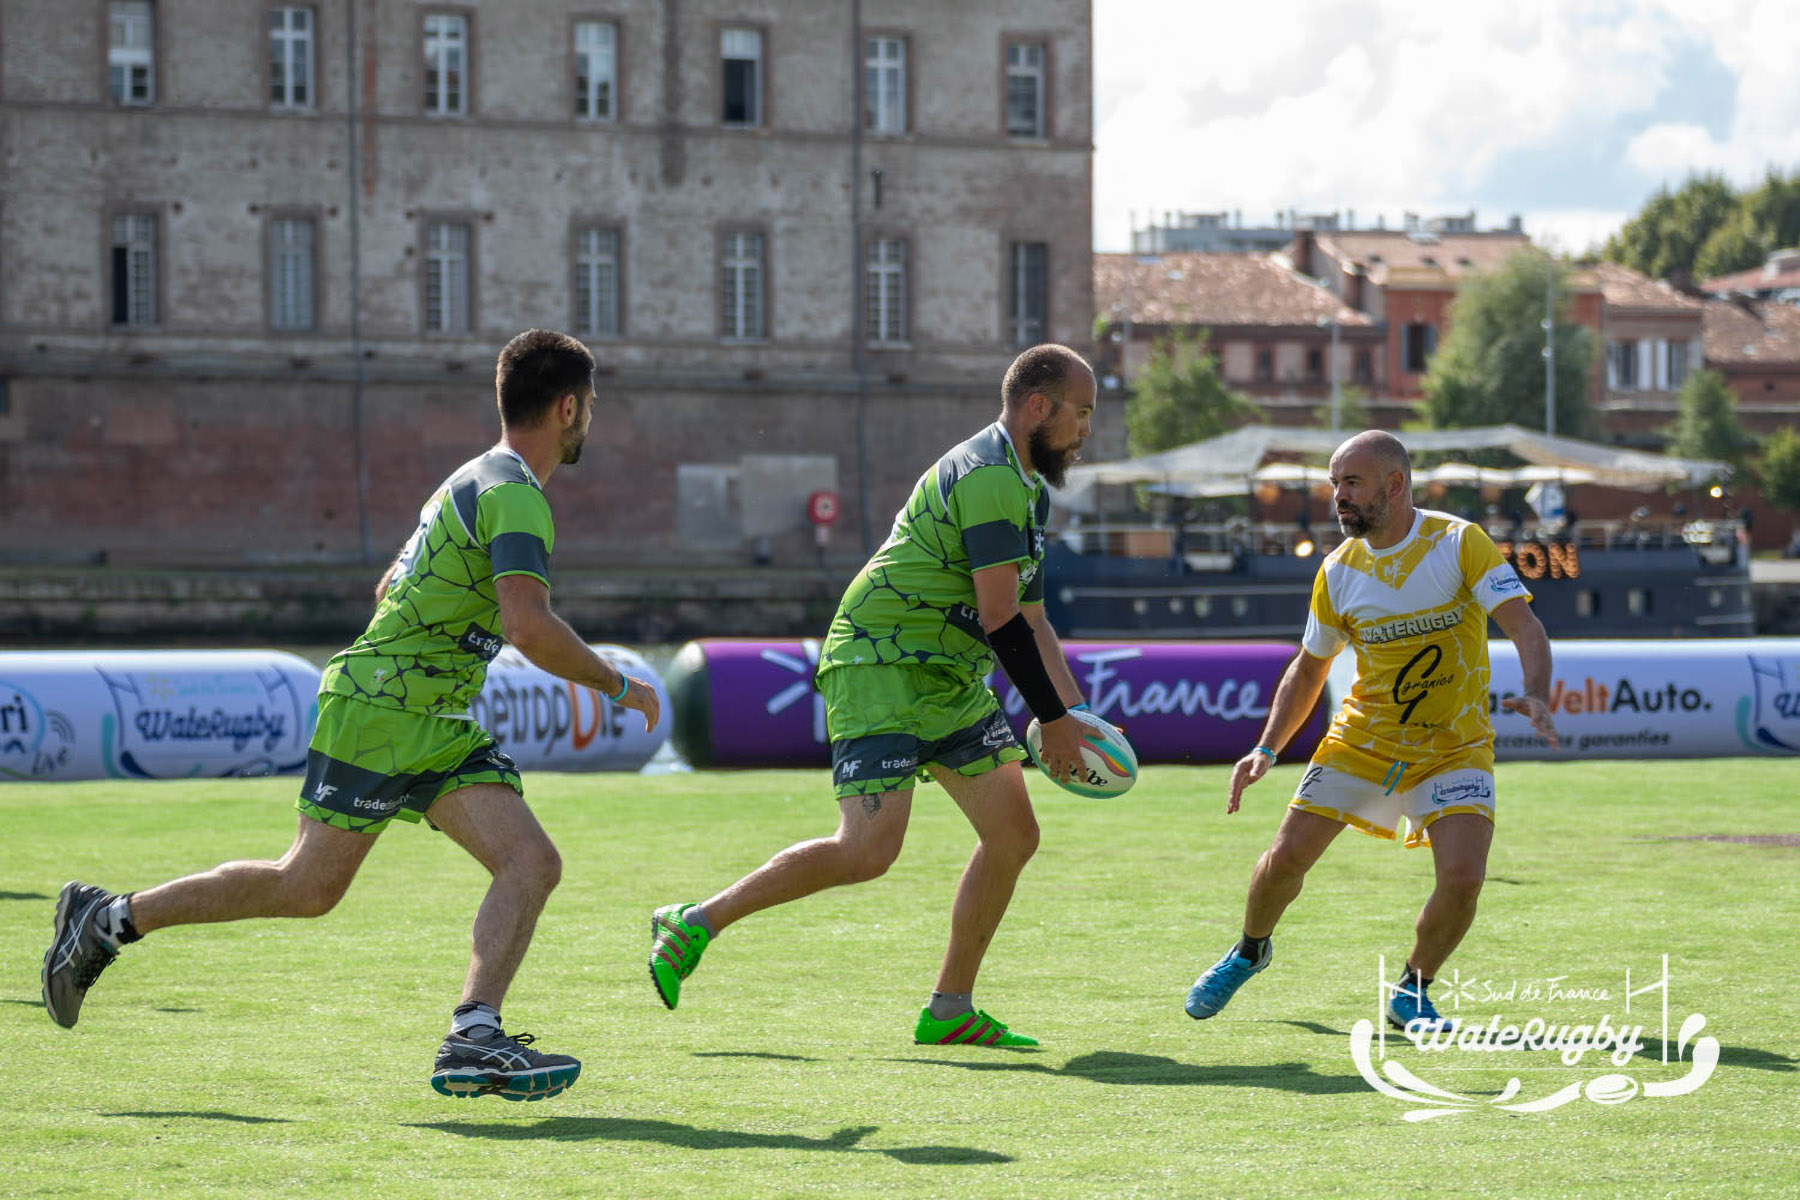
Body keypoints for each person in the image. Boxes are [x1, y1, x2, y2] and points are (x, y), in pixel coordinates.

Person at [42, 329, 660, 1101]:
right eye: (590, 405)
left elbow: (387, 587)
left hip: (426, 714)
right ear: (568, 407)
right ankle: (108, 919)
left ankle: (473, 1038)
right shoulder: (516, 497)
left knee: (529, 861)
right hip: (383, 711)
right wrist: (617, 685)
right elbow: (527, 626)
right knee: (305, 887)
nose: (589, 418)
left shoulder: (467, 480)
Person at [647, 344, 1097, 1048]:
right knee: (866, 852)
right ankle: (695, 921)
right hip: (878, 663)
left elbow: (1035, 621)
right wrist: (1052, 718)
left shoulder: (1029, 489)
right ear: (1038, 407)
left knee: (1014, 836)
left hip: (948, 678)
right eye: (1082, 412)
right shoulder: (987, 477)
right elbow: (1001, 617)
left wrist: (1077, 717)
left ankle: (950, 1008)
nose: (1086, 430)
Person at [1184, 430, 1557, 1034]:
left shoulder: (1459, 542)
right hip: (1363, 741)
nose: (1339, 496)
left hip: (1455, 746)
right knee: (1285, 861)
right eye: (1335, 483)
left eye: (1352, 482)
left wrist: (1536, 692)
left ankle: (1412, 990)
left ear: (1395, 484)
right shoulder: (1337, 570)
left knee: (1463, 879)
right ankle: (1250, 951)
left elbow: (1525, 627)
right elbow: (1310, 668)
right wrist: (1265, 748)